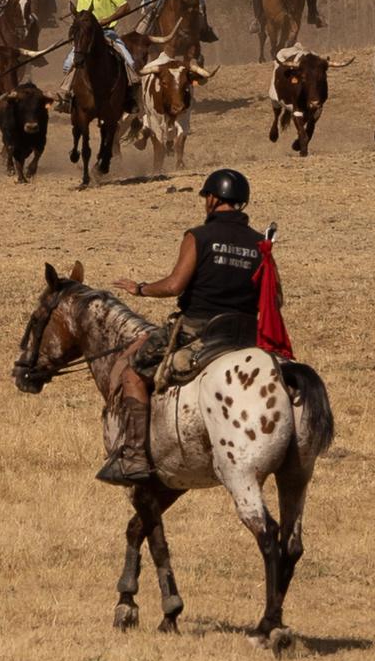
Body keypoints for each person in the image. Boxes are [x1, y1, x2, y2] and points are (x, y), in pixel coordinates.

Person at [104, 168, 266, 484]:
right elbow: (274, 296)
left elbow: (175, 285)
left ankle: (135, 456)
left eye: (206, 196)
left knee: (132, 372)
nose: (205, 201)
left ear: (213, 198)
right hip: (246, 335)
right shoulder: (260, 243)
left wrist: (141, 288)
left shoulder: (199, 236)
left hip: (200, 332)